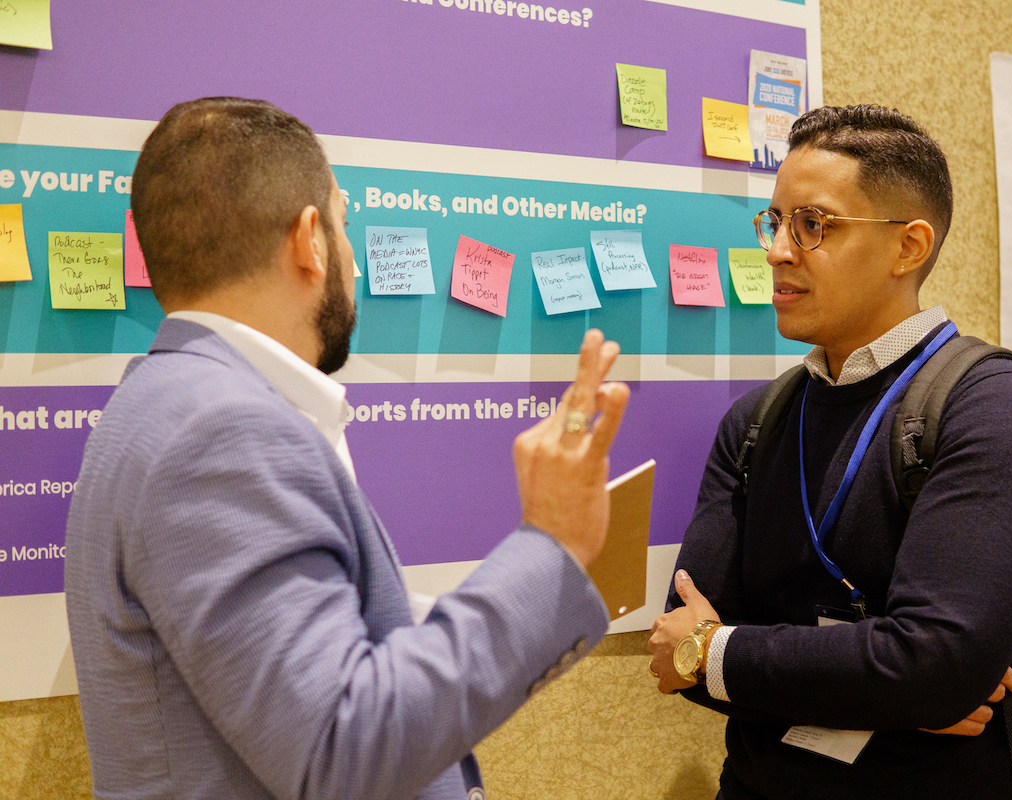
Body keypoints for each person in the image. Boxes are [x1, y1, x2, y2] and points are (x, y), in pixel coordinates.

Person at [64, 97, 630, 800]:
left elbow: (292, 675)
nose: (352, 260)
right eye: (345, 223)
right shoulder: (219, 433)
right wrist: (550, 546)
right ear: (311, 240)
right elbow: (341, 748)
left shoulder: (165, 401)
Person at [648, 105, 1012, 799]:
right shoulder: (756, 421)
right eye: (774, 222)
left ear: (909, 247)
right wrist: (891, 687)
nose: (778, 249)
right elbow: (674, 651)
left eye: (814, 225)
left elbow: (930, 667)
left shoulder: (990, 404)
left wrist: (721, 651)